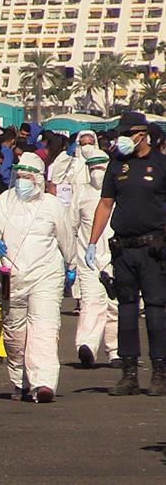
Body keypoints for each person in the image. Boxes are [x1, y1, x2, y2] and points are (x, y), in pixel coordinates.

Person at [0, 152, 76, 403]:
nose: (22, 181)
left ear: (39, 179)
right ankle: (21, 380)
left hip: (46, 274)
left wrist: (71, 263)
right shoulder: (5, 201)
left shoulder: (52, 205)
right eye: (18, 176)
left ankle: (43, 382)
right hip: (11, 276)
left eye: (27, 177)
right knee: (14, 332)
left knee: (44, 326)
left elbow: (66, 237)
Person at [88, 112, 166, 396]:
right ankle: (129, 374)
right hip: (124, 248)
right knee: (126, 310)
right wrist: (92, 242)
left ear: (141, 134)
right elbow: (105, 204)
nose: (120, 139)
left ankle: (159, 372)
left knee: (156, 311)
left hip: (154, 248)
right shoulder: (117, 165)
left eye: (125, 133)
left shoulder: (160, 164)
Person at [69, 147, 119, 368]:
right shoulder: (80, 192)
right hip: (88, 257)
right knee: (91, 303)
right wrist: (70, 260)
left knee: (114, 305)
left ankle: (115, 351)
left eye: (101, 167)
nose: (97, 172)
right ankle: (86, 346)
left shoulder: (118, 191)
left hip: (116, 255)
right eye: (93, 167)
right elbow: (69, 226)